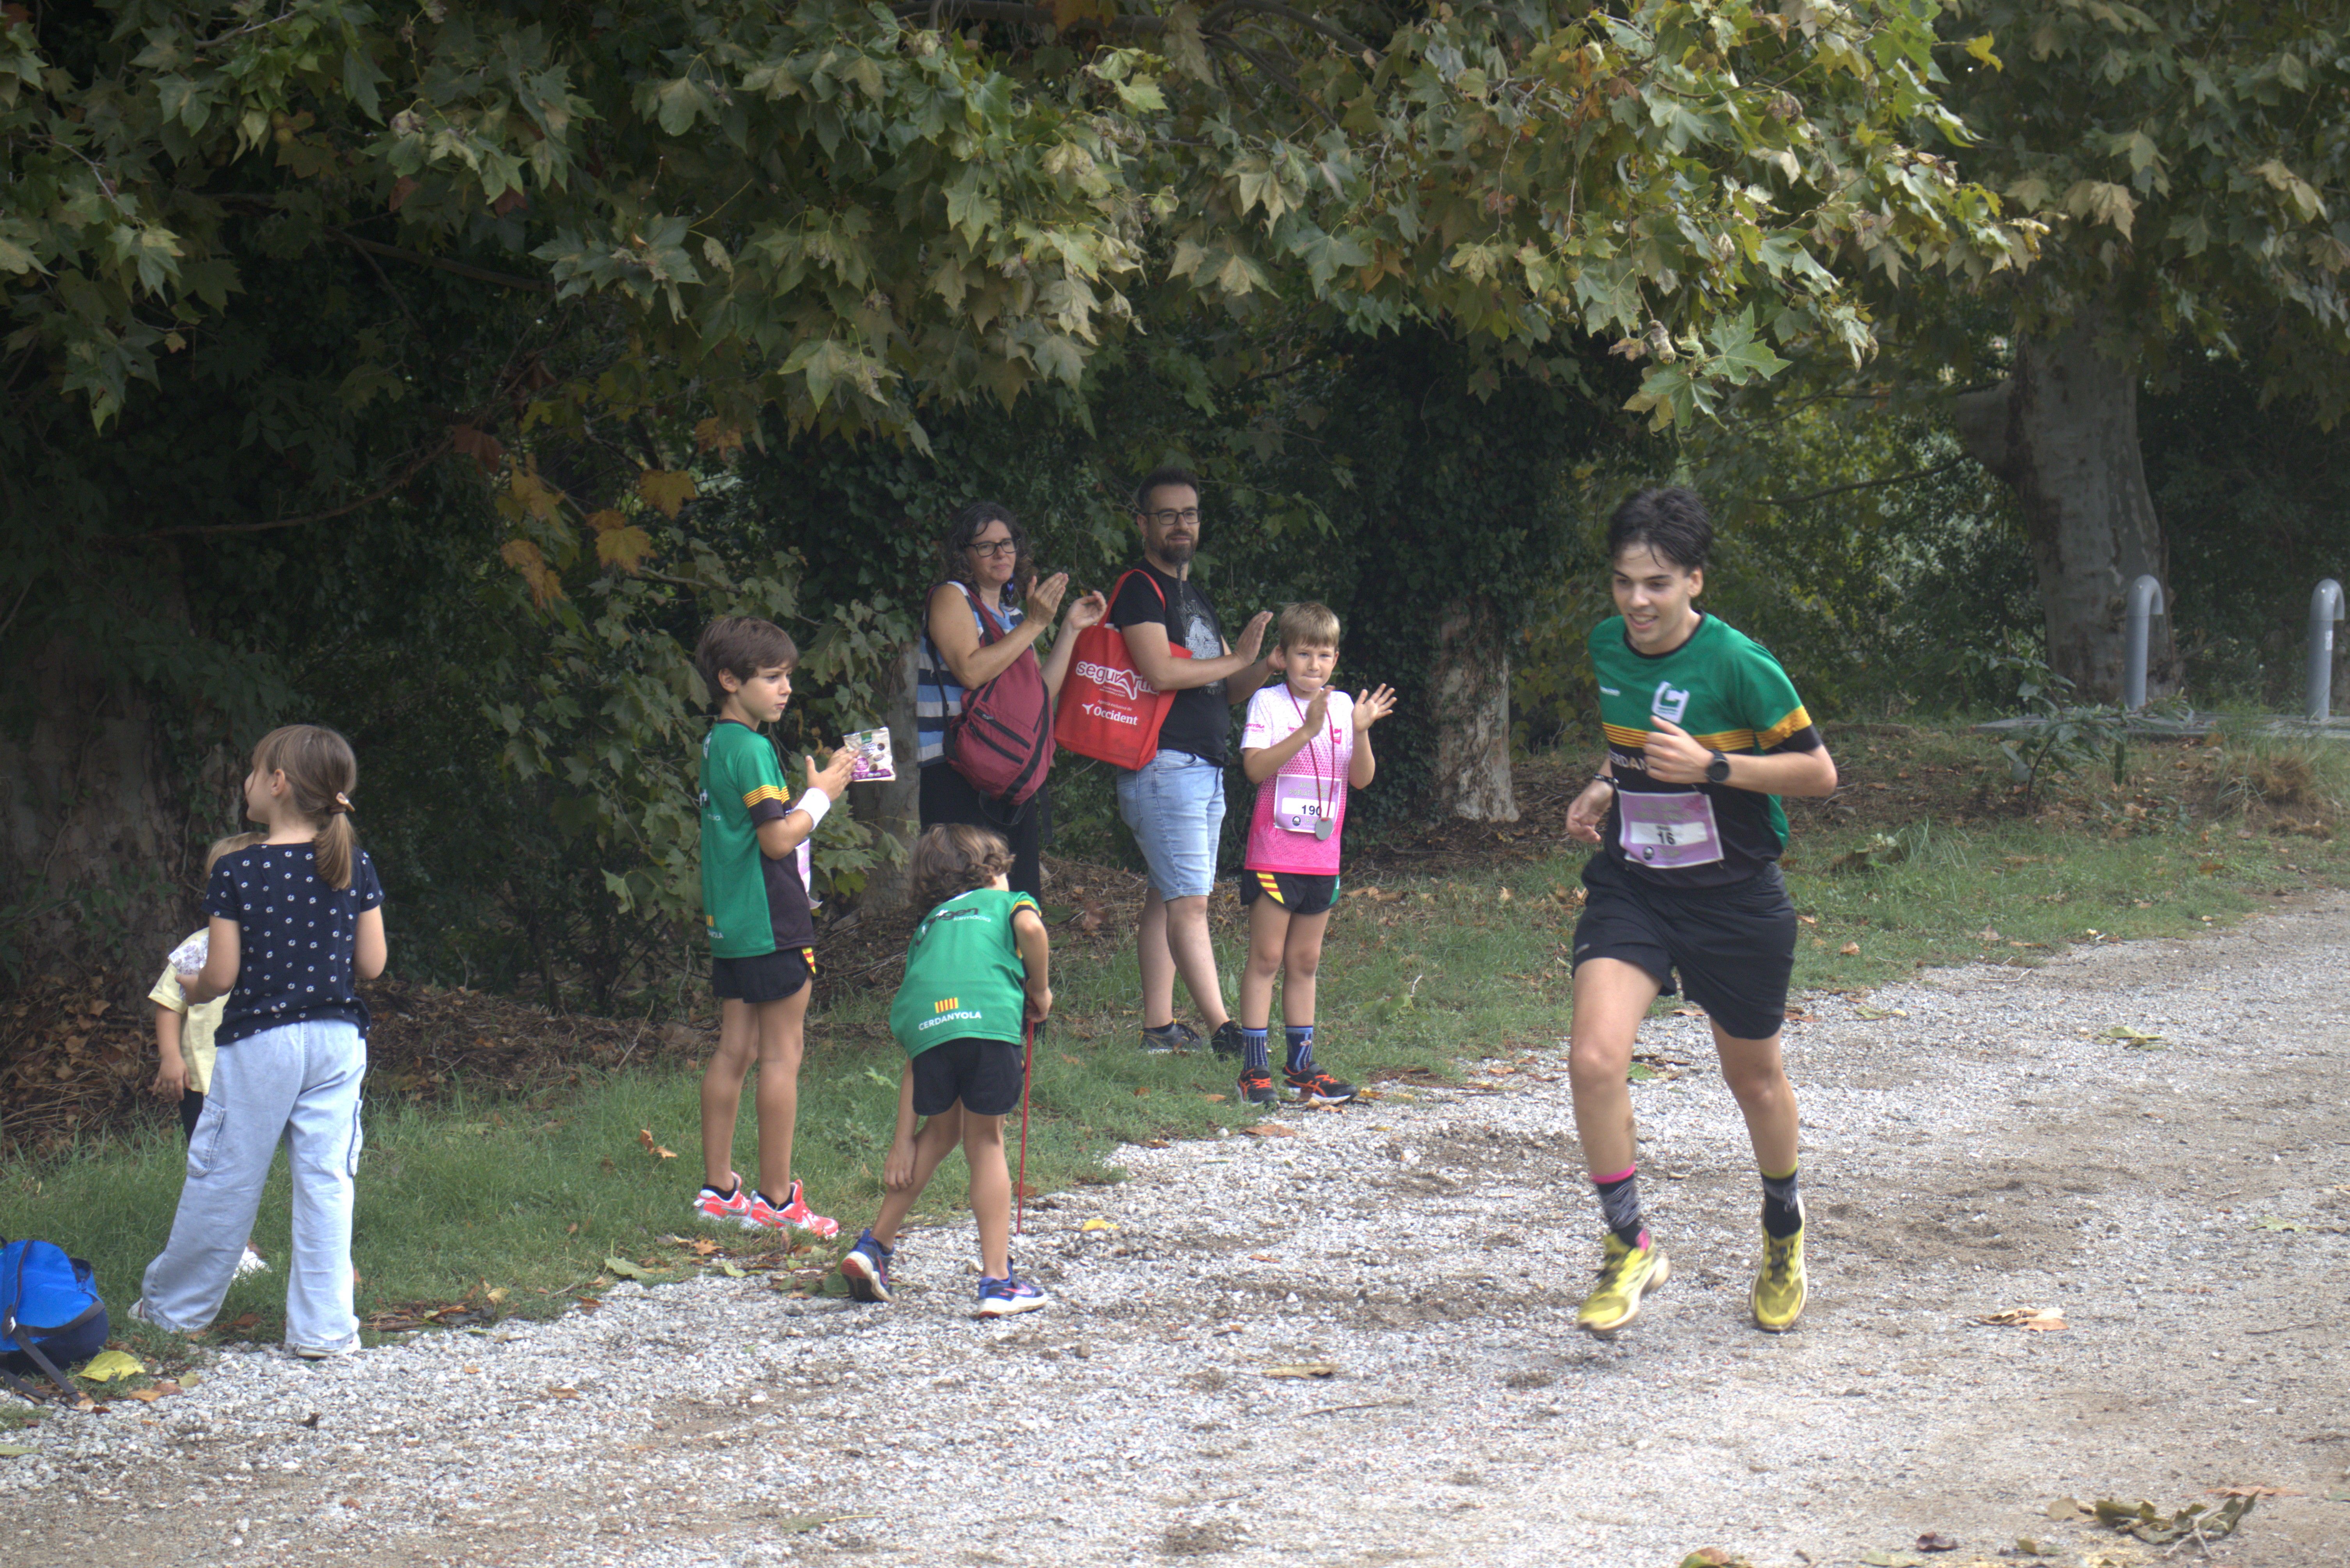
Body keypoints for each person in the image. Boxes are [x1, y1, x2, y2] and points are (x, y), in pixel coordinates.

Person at [1562, 487, 1839, 1339]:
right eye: (1623, 582)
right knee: (1594, 1058)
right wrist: (1608, 783)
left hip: (1732, 899)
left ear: (1694, 582)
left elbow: (1820, 774)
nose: (1636, 603)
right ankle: (1629, 1244)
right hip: (1637, 884)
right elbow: (1634, 744)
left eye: (1656, 584)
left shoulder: (1739, 664)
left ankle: (1784, 1231)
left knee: (1753, 1078)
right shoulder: (1609, 645)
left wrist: (1716, 770)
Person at [134, 725, 386, 1359]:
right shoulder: (354, 863)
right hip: (337, 1042)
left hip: (260, 1044)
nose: (246, 783)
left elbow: (219, 977)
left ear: (277, 784)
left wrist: (190, 991)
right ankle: (325, 1332)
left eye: (252, 771)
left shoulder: (238, 869)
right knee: (328, 1180)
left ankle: (174, 1312)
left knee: (226, 1175)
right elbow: (374, 965)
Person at [840, 824, 1053, 1318]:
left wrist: (900, 1141)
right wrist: (1039, 990)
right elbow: (1034, 931)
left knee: (940, 1132)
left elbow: (918, 1046)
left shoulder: (929, 928)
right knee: (986, 1142)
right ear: (991, 872)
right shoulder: (1008, 902)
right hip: (989, 1025)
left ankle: (874, 1246)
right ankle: (997, 1282)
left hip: (932, 1033)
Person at [689, 615, 858, 1238]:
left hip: (730, 925)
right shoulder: (755, 749)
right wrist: (821, 797)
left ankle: (718, 1190)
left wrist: (806, 795)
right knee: (783, 1056)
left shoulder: (717, 744)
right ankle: (778, 1201)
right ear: (730, 680)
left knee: (736, 1049)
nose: (786, 689)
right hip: (771, 921)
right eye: (772, 677)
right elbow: (776, 839)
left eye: (788, 676)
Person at [1109, 465, 1273, 1055]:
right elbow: (1161, 671)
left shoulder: (1192, 594)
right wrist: (1238, 661)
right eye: (1169, 515)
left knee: (1165, 894)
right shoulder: (1138, 588)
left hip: (1201, 765)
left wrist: (1264, 663)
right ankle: (1227, 1029)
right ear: (1144, 524)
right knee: (1190, 902)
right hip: (1163, 766)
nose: (1182, 525)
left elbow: (1225, 687)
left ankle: (1159, 1031)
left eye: (1191, 514)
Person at [1233, 603, 1396, 1107]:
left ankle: (1301, 1066)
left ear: (1336, 658)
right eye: (1304, 654)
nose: (1315, 665)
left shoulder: (1345, 706)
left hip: (1322, 860)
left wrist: (1363, 730)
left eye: (1324, 655)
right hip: (1274, 856)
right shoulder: (1267, 703)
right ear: (1282, 655)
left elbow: (1362, 779)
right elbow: (1255, 770)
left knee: (1306, 961)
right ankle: (1253, 1070)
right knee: (1266, 959)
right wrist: (1307, 729)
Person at [916, 501, 1107, 896]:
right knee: (965, 901)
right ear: (964, 555)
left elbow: (1038, 694)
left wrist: (1069, 629)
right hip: (955, 771)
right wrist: (1037, 624)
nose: (1001, 553)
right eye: (986, 546)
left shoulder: (1014, 615)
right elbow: (969, 670)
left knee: (1018, 902)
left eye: (1008, 543)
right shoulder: (951, 597)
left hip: (1006, 776)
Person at [147, 832, 270, 1279]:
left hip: (255, 1078)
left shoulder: (274, 945)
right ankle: (226, 1250)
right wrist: (170, 1058)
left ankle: (238, 1244)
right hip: (203, 1080)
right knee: (211, 1167)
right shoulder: (201, 945)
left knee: (246, 1166)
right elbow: (168, 1001)